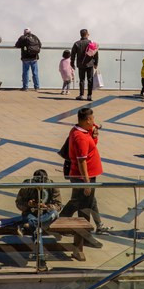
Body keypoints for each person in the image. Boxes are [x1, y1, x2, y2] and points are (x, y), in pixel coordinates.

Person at [60, 108, 111, 255]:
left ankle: (60, 223)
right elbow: (81, 160)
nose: (94, 121)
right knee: (83, 207)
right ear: (87, 120)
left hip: (85, 176)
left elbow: (91, 148)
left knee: (87, 202)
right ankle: (84, 236)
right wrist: (87, 182)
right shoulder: (80, 137)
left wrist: (94, 135)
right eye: (92, 119)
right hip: (84, 177)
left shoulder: (81, 132)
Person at [0, 168, 62, 270]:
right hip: (30, 214)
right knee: (37, 230)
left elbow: (58, 205)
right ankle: (41, 261)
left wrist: (46, 206)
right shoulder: (27, 186)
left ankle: (29, 225)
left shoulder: (52, 186)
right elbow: (18, 203)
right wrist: (27, 204)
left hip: (45, 215)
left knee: (55, 214)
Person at [70, 29, 99, 102]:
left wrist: (72, 63)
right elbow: (96, 54)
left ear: (81, 34)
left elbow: (73, 55)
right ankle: (89, 95)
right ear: (87, 34)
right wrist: (96, 63)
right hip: (90, 64)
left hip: (81, 64)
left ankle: (81, 95)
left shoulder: (76, 43)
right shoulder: (91, 43)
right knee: (90, 79)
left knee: (82, 80)